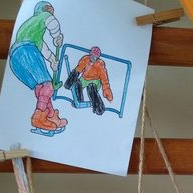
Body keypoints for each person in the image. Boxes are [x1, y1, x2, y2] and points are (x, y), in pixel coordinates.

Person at [8, 1, 67, 133]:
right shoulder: (43, 16)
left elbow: (43, 49)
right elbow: (52, 22)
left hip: (15, 59)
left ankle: (50, 115)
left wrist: (52, 60)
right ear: (44, 10)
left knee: (40, 88)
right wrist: (57, 36)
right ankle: (38, 117)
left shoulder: (32, 30)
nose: (52, 12)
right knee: (48, 85)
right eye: (50, 10)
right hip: (27, 52)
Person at [64, 46, 114, 115]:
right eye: (92, 56)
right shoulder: (86, 59)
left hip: (95, 81)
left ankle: (99, 107)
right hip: (84, 78)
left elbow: (104, 81)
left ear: (97, 57)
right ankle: (79, 100)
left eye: (95, 57)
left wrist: (108, 94)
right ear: (90, 54)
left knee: (91, 87)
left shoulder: (100, 65)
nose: (93, 58)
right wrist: (69, 82)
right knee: (77, 83)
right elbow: (78, 69)